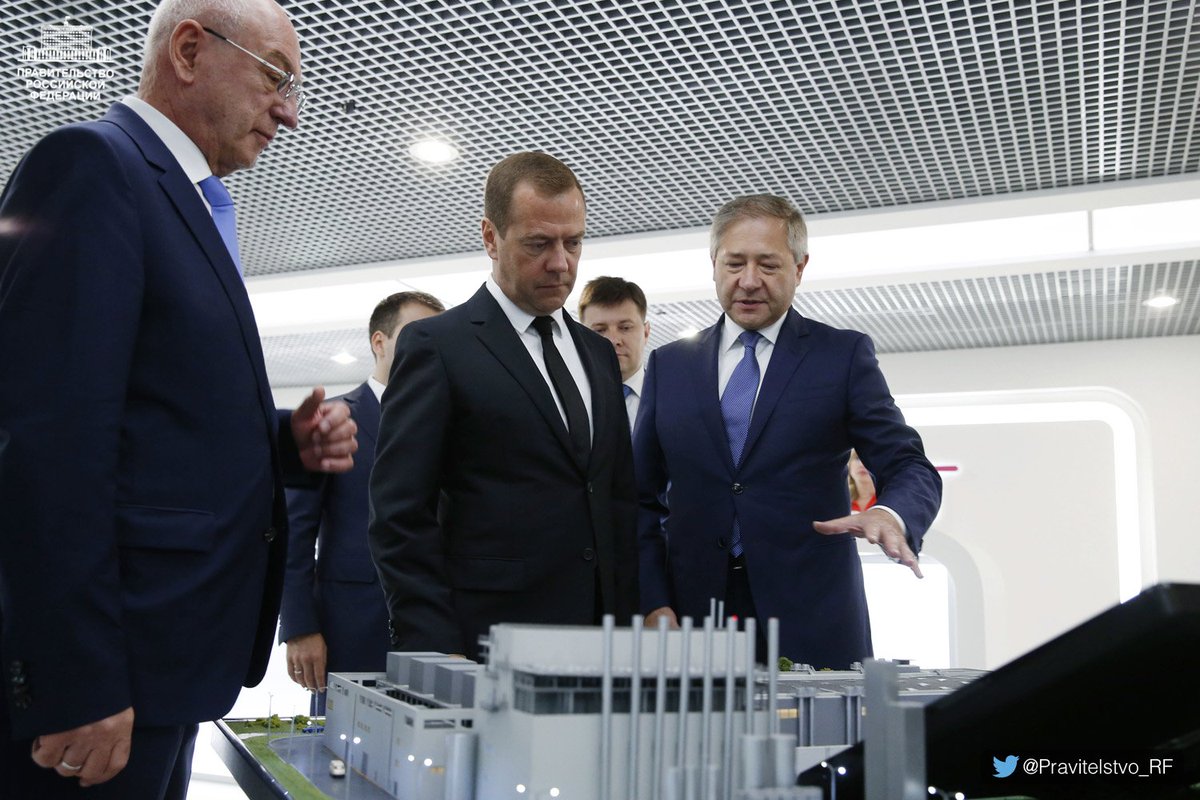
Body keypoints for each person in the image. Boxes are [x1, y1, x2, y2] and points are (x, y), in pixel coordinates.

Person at [0, 1, 358, 796]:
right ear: (190, 51)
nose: (290, 113)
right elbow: (47, 442)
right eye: (275, 77)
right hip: (106, 685)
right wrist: (77, 679)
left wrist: (284, 444)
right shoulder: (91, 165)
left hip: (167, 666)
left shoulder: (181, 198)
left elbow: (152, 417)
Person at [633, 194, 941, 668]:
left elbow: (908, 463)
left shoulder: (840, 357)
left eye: (769, 265)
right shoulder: (668, 365)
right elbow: (638, 499)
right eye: (734, 263)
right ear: (714, 264)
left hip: (812, 616)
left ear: (799, 268)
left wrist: (890, 513)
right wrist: (654, 601)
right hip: (692, 619)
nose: (748, 280)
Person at [369, 152, 639, 661]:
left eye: (573, 243)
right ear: (491, 238)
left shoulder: (598, 353)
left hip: (601, 643)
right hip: (485, 643)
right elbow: (399, 515)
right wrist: (433, 647)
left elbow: (617, 498)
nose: (560, 263)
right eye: (538, 244)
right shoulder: (438, 346)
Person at [281, 291, 444, 714]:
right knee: (342, 750)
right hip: (349, 629)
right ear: (379, 342)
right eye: (416, 333)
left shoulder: (454, 425)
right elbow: (294, 531)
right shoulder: (332, 419)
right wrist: (299, 627)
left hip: (438, 634)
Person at [578, 276, 651, 429]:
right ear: (581, 337)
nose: (613, 340)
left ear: (645, 333)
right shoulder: (566, 402)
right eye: (599, 330)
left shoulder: (673, 397)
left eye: (625, 328)